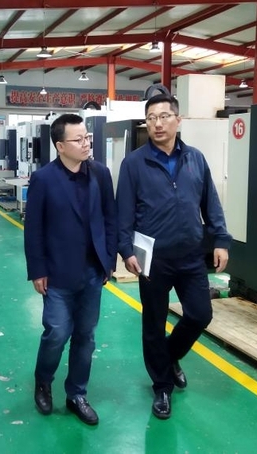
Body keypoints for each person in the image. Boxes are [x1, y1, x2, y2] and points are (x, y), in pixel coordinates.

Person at [116, 94, 231, 420]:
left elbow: (211, 203)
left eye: (164, 116)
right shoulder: (134, 163)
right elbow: (123, 212)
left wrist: (220, 240)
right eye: (151, 118)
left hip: (191, 254)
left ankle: (168, 357)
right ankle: (162, 387)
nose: (158, 123)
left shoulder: (195, 159)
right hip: (152, 257)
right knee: (153, 323)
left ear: (178, 120)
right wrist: (126, 251)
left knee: (200, 314)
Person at [24, 113, 117, 426]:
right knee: (57, 332)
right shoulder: (43, 179)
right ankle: (43, 381)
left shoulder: (100, 174)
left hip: (93, 272)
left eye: (86, 137)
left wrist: (109, 260)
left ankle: (77, 393)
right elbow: (34, 229)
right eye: (78, 140)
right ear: (60, 146)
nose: (86, 143)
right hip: (58, 273)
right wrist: (38, 270)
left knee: (85, 336)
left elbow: (110, 218)